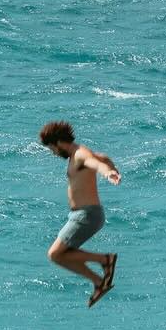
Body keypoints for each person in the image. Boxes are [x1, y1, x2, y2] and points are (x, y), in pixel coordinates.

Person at [38, 119, 120, 306]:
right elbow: (102, 158)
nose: (53, 153)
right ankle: (100, 282)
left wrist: (107, 173)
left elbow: (96, 163)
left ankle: (104, 261)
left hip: (86, 215)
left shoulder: (81, 154)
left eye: (52, 149)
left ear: (58, 143)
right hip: (81, 215)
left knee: (55, 254)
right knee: (63, 255)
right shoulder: (76, 155)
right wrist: (111, 168)